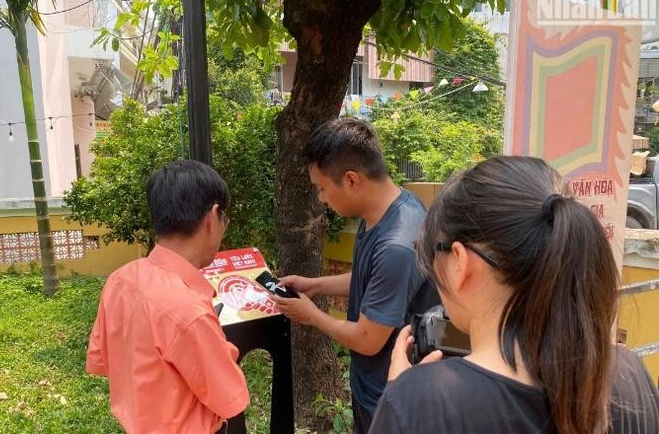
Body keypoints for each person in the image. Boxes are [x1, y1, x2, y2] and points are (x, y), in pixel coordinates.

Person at [370, 156, 659, 433]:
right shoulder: (631, 375)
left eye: (434, 254)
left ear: (460, 261)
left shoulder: (420, 404)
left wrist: (400, 395)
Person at [272, 117, 439, 433]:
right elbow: (371, 280)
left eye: (322, 188)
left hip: (389, 398)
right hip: (373, 385)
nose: (321, 198)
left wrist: (312, 316)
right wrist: (315, 285)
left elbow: (367, 340)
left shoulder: (397, 245)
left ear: (351, 180)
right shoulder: (388, 210)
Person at [86, 160, 250, 433]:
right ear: (212, 217)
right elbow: (230, 399)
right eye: (226, 219)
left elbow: (101, 362)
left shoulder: (120, 280)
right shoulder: (188, 312)